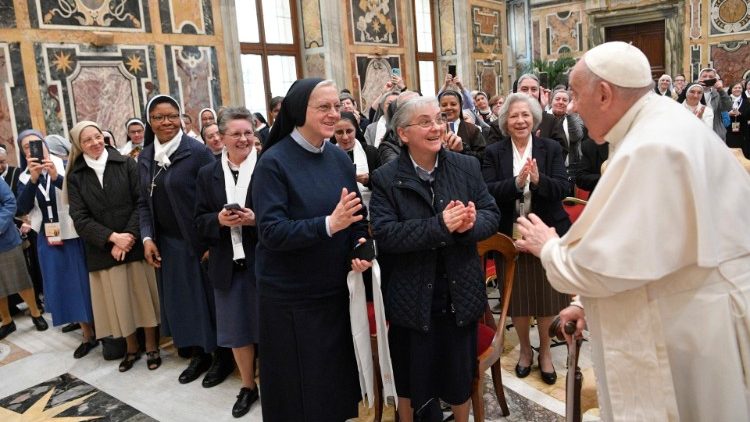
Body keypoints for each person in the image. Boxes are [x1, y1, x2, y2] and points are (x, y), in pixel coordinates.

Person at [515, 41, 750, 421]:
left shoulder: (649, 146)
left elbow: (600, 267)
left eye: (575, 94)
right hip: (696, 316)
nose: (571, 106)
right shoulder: (661, 123)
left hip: (690, 331)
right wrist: (581, 303)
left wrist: (549, 247)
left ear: (604, 94)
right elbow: (642, 254)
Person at [369, 96, 499, 421]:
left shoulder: (465, 166)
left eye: (439, 119)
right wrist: (439, 226)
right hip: (411, 299)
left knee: (458, 381)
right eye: (425, 122)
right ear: (403, 134)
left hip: (459, 295)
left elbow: (490, 214)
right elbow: (386, 235)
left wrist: (470, 224)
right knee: (411, 383)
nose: (437, 127)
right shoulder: (386, 178)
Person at [252, 78, 370, 421]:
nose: (334, 114)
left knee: (331, 387)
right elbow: (271, 232)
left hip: (332, 292)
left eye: (337, 106)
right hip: (290, 300)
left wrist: (359, 246)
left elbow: (355, 216)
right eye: (324, 107)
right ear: (298, 110)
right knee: (298, 392)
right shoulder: (273, 163)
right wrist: (329, 225)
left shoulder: (337, 157)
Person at [137, 95, 233, 386]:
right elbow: (143, 201)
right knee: (184, 303)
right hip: (166, 243)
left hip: (197, 243)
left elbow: (216, 200)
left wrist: (208, 242)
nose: (165, 122)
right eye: (158, 117)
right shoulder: (146, 156)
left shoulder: (197, 152)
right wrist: (147, 237)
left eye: (171, 115)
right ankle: (199, 354)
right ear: (149, 122)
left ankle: (222, 357)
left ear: (180, 117)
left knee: (208, 303)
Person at [481, 93, 571, 386]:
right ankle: (524, 351)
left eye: (525, 115)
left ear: (534, 119)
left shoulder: (551, 148)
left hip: (545, 232)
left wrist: (538, 180)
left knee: (545, 298)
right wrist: (516, 183)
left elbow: (562, 187)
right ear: (505, 121)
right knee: (517, 298)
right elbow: (487, 191)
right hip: (509, 236)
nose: (520, 121)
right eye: (513, 116)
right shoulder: (494, 152)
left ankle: (545, 352)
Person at [65, 121, 160, 370]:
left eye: (98, 137)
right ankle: (131, 348)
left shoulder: (126, 162)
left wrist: (127, 236)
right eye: (87, 140)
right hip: (104, 249)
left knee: (143, 298)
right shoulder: (76, 176)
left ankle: (151, 346)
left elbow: (141, 201)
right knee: (118, 302)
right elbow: (80, 217)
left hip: (134, 243)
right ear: (78, 145)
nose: (95, 143)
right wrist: (112, 238)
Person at [195, 107, 260, 417]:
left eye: (248, 132)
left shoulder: (268, 167)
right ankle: (248, 385)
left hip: (265, 262)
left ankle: (275, 382)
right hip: (227, 263)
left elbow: (285, 216)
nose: (243, 139)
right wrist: (218, 220)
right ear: (221, 138)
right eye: (236, 134)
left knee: (271, 329)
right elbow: (198, 221)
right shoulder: (208, 174)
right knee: (237, 331)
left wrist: (255, 220)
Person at [18, 130, 103, 354]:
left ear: (44, 143)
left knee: (84, 283)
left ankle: (102, 327)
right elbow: (22, 208)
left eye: (36, 143)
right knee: (64, 286)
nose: (32, 148)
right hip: (48, 238)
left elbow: (79, 194)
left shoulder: (66, 165)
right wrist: (34, 180)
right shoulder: (25, 176)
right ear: (23, 152)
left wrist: (56, 177)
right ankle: (87, 333)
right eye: (27, 147)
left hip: (73, 233)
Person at [0, 178, 46, 340]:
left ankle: (35, 313)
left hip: (5, 240)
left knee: (21, 279)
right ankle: (6, 321)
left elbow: (10, 203)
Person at [486, 74, 566, 147]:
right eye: (524, 89)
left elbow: (561, 150)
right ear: (516, 91)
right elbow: (492, 155)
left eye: (534, 89)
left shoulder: (551, 121)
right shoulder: (499, 125)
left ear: (539, 93)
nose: (529, 93)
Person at [333, 111, 380, 208]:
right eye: (339, 132)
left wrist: (368, 180)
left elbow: (384, 184)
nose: (345, 137)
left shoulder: (371, 153)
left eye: (349, 131)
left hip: (371, 211)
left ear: (356, 130)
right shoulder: (327, 155)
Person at [439, 90, 486, 162]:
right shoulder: (434, 130)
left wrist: (463, 149)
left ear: (460, 106)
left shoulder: (473, 129)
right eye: (444, 105)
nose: (448, 107)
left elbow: (483, 157)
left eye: (453, 104)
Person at [699, 67, 732, 140]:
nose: (707, 78)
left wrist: (721, 90)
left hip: (716, 134)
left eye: (711, 77)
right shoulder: (693, 92)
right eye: (704, 76)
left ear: (715, 80)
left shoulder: (718, 94)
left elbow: (728, 107)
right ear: (699, 78)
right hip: (698, 133)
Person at [727, 81, 750, 157]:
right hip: (728, 131)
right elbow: (720, 114)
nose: (737, 89)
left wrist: (740, 114)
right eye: (735, 88)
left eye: (739, 88)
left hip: (742, 133)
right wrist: (728, 114)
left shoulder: (747, 101)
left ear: (742, 89)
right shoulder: (725, 101)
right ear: (731, 89)